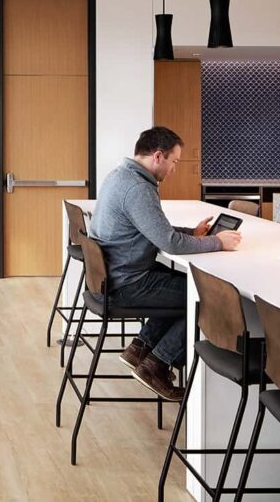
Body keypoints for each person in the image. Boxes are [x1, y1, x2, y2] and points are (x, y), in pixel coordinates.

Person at [89, 126, 241, 401]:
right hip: (127, 283)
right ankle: (156, 365)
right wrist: (219, 242)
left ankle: (140, 348)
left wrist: (190, 233)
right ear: (158, 156)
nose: (174, 169)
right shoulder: (138, 188)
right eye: (175, 162)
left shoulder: (120, 176)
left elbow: (154, 229)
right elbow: (168, 244)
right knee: (205, 298)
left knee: (186, 285)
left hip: (115, 275)